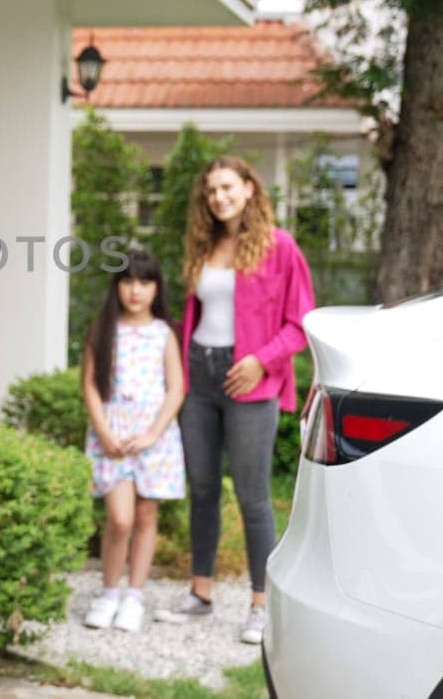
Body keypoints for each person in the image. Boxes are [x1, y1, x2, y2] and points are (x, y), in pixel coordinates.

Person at [154, 156, 314, 645]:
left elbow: (301, 321)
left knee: (252, 496)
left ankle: (261, 604)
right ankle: (200, 593)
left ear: (249, 188)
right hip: (200, 376)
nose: (218, 197)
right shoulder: (205, 245)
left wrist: (261, 361)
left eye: (226, 187)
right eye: (211, 191)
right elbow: (198, 312)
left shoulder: (280, 247)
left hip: (250, 380)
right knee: (202, 488)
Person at [79, 250, 186, 633]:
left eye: (144, 281)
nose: (135, 290)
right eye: (127, 281)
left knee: (144, 516)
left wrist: (153, 433)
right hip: (113, 435)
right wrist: (105, 432)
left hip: (152, 438)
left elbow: (176, 389)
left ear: (156, 287)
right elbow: (90, 385)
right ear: (117, 286)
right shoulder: (104, 329)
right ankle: (109, 591)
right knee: (120, 518)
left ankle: (133, 597)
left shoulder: (163, 333)